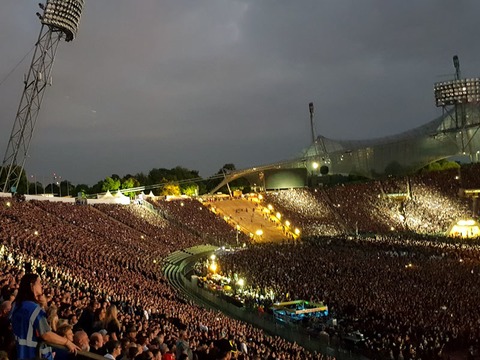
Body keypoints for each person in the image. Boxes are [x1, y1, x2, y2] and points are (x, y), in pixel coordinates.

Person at [10, 273, 79, 360]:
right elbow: (46, 334)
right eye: (39, 283)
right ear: (32, 286)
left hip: (18, 353)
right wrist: (67, 342)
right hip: (33, 355)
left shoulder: (16, 305)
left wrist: (44, 305)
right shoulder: (34, 309)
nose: (41, 285)